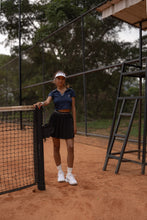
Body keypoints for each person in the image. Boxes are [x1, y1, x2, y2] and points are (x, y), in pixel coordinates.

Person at [34, 71, 77, 185]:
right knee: (56, 146)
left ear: (65, 80)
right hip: (56, 119)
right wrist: (41, 103)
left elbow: (73, 108)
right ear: (55, 81)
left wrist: (75, 125)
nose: (60, 80)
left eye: (62, 78)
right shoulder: (53, 93)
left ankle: (69, 174)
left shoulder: (70, 91)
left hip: (68, 120)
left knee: (71, 147)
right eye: (58, 78)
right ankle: (60, 172)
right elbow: (47, 102)